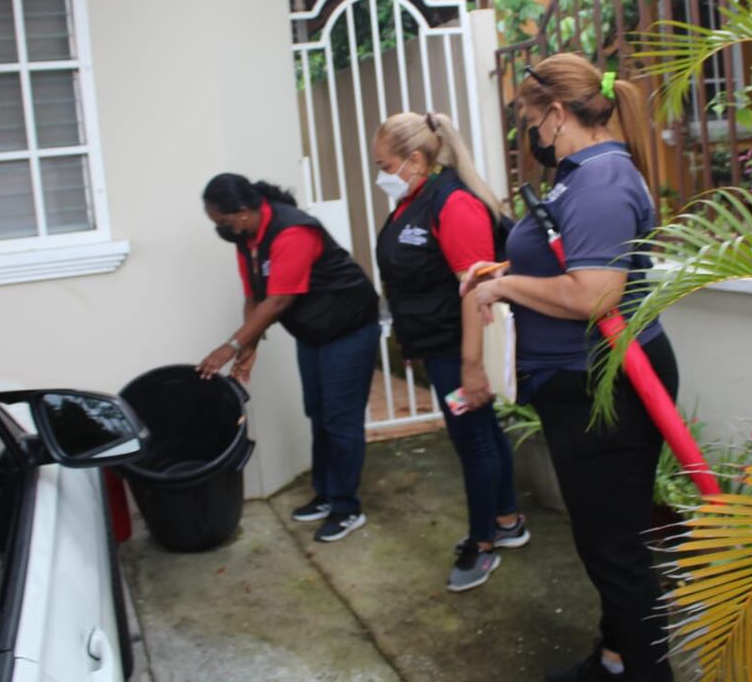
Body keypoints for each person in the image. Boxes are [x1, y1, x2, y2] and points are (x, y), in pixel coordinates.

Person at [462, 55, 676, 681]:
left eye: (531, 121)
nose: (529, 136)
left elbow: (594, 295)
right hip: (585, 382)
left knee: (615, 552)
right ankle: (613, 659)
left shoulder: (601, 182)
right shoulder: (582, 176)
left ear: (556, 115)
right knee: (613, 539)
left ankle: (644, 671)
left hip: (602, 387)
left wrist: (505, 290)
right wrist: (514, 276)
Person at [372, 111, 530, 592]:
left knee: (473, 441)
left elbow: (475, 289)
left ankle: (482, 544)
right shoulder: (416, 199)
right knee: (481, 432)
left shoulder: (454, 203)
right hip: (439, 345)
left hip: (459, 348)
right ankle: (506, 520)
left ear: (416, 160)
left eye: (385, 164)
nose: (381, 174)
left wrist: (471, 364)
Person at [197, 174, 380, 543]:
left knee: (341, 418)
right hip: (313, 331)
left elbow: (280, 300)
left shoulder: (293, 231)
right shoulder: (246, 238)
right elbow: (255, 298)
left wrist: (229, 347)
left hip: (348, 328)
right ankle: (327, 494)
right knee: (318, 411)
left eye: (223, 221)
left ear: (245, 211)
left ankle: (347, 508)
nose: (221, 229)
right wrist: (250, 348)